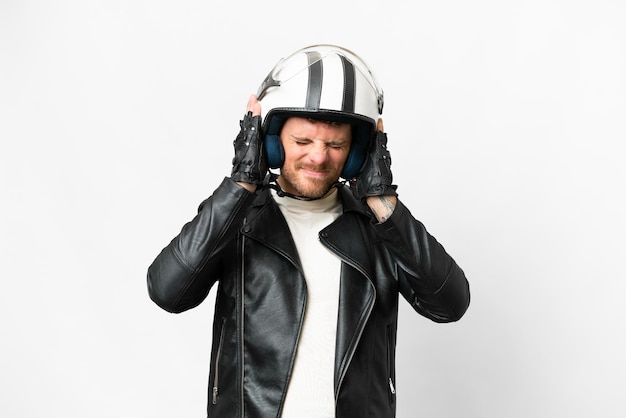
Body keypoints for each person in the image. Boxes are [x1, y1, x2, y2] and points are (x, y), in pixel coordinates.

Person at [147, 44, 470, 418]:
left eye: (336, 145)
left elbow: (450, 304)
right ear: (268, 142)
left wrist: (383, 202)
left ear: (357, 153)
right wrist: (240, 186)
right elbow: (168, 291)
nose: (318, 156)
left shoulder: (379, 229)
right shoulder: (237, 219)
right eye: (302, 141)